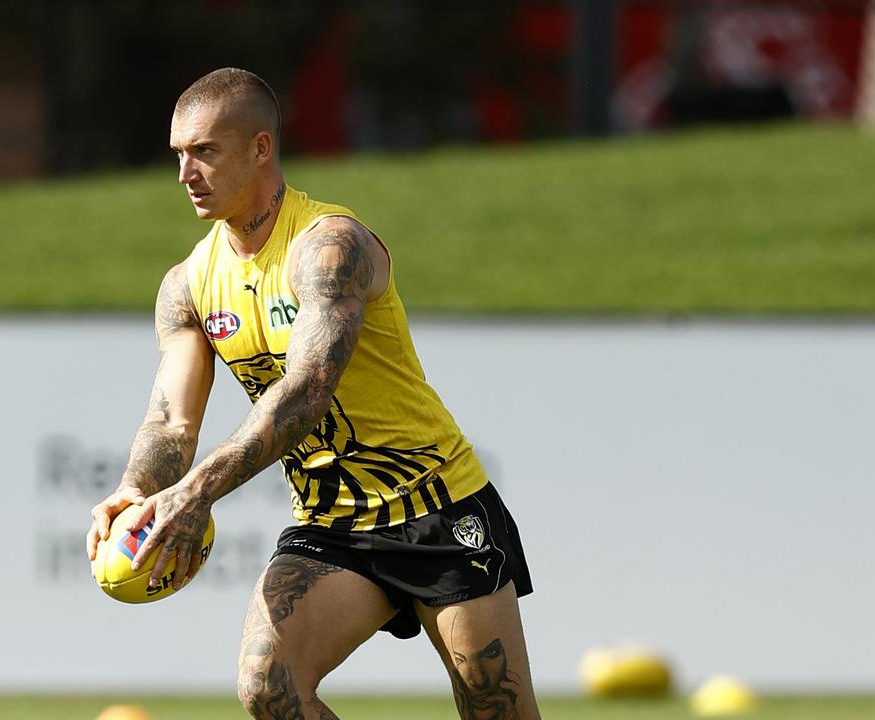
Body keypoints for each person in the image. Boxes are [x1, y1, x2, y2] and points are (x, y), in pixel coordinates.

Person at [85, 67, 541, 720]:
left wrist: (199, 491)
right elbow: (170, 423)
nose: (186, 173)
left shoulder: (329, 246)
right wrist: (137, 486)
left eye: (205, 151)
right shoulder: (186, 285)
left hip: (438, 508)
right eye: (179, 155)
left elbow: (307, 392)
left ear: (260, 149)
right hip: (333, 527)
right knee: (266, 688)